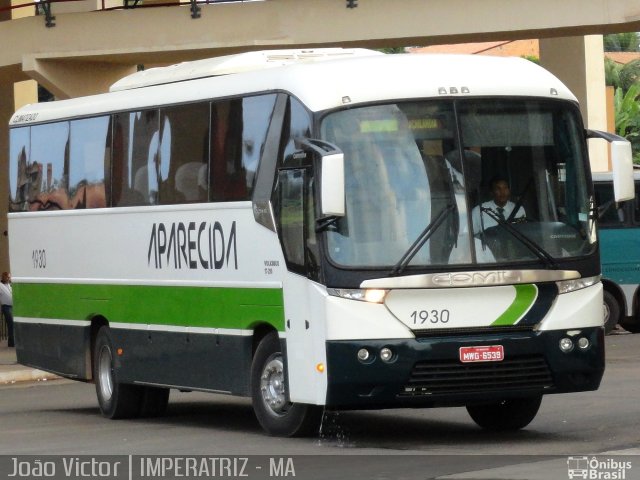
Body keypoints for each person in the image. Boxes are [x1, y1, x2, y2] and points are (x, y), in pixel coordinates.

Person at [0, 272, 14, 348]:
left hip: (12, 307)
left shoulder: (9, 285)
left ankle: (12, 342)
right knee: (11, 324)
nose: (9, 279)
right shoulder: (0, 285)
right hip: (6, 307)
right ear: (3, 277)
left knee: (13, 324)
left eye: (9, 277)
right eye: (8, 277)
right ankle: (12, 343)